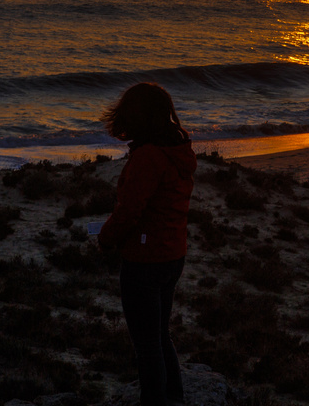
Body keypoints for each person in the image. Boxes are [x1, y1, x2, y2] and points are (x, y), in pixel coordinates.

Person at [94, 83, 197, 406]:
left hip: (146, 259)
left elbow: (129, 212)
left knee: (147, 342)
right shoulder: (177, 151)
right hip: (172, 254)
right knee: (159, 334)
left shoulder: (148, 158)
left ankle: (157, 400)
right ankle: (174, 396)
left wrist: (105, 238)